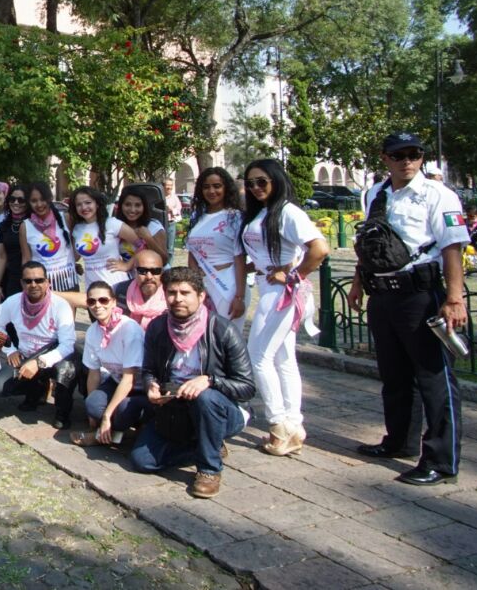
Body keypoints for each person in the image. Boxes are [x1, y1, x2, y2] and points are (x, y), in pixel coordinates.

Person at [348, 133, 469, 485]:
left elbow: (452, 248)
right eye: (399, 155)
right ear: (385, 158)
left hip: (420, 294)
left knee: (434, 379)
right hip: (383, 293)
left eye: (414, 154)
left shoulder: (438, 195)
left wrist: (455, 298)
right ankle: (398, 441)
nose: (407, 161)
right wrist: (358, 283)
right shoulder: (376, 194)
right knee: (394, 375)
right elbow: (370, 242)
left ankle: (441, 460)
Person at [129, 267, 255, 498]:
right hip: (175, 408)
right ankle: (207, 446)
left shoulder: (222, 330)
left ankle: (209, 469)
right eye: (171, 292)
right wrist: (151, 385)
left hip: (221, 408)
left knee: (205, 397)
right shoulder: (158, 328)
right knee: (142, 461)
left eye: (185, 293)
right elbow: (148, 370)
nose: (177, 299)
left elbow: (247, 387)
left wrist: (210, 380)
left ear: (201, 296)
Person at [240, 159, 329, 456]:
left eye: (262, 181)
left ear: (277, 180)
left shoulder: (289, 212)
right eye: (250, 183)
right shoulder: (263, 213)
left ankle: (278, 425)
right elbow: (263, 253)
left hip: (282, 293)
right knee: (282, 358)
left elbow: (319, 249)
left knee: (258, 356)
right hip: (269, 288)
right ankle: (293, 424)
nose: (255, 188)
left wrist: (294, 274)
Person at [0, 261, 77, 426]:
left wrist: (40, 362)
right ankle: (36, 390)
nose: (33, 284)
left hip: (53, 356)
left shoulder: (60, 305)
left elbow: (67, 344)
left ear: (47, 282)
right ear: (21, 283)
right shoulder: (13, 302)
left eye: (39, 280)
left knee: (67, 369)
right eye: (28, 281)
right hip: (25, 355)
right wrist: (10, 349)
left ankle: (63, 412)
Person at [75, 281, 147, 446]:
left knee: (120, 411)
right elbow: (93, 373)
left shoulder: (129, 329)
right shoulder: (93, 331)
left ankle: (119, 429)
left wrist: (106, 415)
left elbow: (129, 378)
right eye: (91, 301)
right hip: (116, 381)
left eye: (103, 300)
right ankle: (111, 431)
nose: (97, 305)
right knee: (93, 404)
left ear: (113, 302)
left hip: (139, 387)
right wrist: (91, 414)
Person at [184, 167, 248, 326]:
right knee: (205, 336)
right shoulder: (198, 217)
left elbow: (240, 258)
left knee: (228, 339)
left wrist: (239, 296)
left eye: (217, 186)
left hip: (228, 284)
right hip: (204, 283)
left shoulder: (235, 217)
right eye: (206, 187)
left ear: (226, 187)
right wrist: (195, 282)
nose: (211, 191)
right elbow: (192, 252)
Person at [71, 186, 140, 290]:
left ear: (97, 204)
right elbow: (76, 257)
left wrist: (127, 265)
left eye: (88, 202)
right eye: (79, 204)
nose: (84, 207)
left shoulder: (112, 223)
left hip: (116, 285)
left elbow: (143, 245)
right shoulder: (77, 229)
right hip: (92, 288)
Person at [20, 181, 80, 298]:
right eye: (34, 201)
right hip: (40, 286)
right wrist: (25, 285)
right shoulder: (25, 226)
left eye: (43, 199)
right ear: (28, 203)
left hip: (68, 283)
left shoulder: (66, 218)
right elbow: (26, 259)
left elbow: (77, 250)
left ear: (50, 198)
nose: (39, 204)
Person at [114, 250, 169, 330]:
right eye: (142, 271)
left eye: (155, 271)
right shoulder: (121, 291)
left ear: (162, 272)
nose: (149, 277)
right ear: (134, 271)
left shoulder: (171, 294)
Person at [0, 185, 29, 303]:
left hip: (30, 276)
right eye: (12, 199)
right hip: (10, 277)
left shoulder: (34, 224)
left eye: (21, 200)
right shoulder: (3, 226)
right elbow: (2, 256)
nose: (16, 203)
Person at [115, 185, 169, 266]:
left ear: (144, 207)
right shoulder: (115, 226)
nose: (132, 210)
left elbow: (164, 261)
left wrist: (148, 239)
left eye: (138, 205)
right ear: (121, 206)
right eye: (127, 204)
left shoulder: (154, 227)